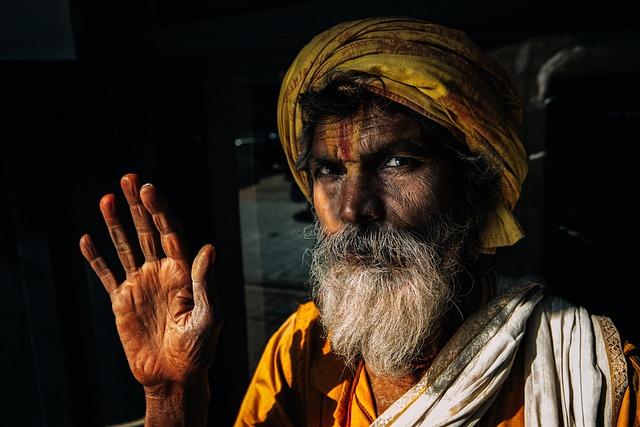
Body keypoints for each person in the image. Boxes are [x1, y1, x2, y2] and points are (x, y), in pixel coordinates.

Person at [80, 17, 639, 426]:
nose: (352, 208)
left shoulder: (592, 374)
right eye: (329, 170)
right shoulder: (302, 348)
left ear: (475, 193)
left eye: (397, 163)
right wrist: (173, 397)